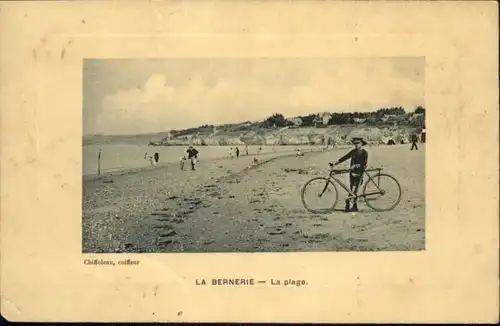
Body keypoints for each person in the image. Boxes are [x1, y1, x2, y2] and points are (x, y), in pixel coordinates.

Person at [330, 137, 368, 212]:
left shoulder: (364, 152)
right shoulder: (353, 151)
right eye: (355, 144)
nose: (356, 145)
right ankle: (354, 206)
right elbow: (345, 157)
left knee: (354, 190)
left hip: (359, 173)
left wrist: (355, 166)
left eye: (358, 143)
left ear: (361, 144)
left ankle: (350, 204)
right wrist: (335, 163)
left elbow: (364, 164)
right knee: (352, 190)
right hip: (352, 173)